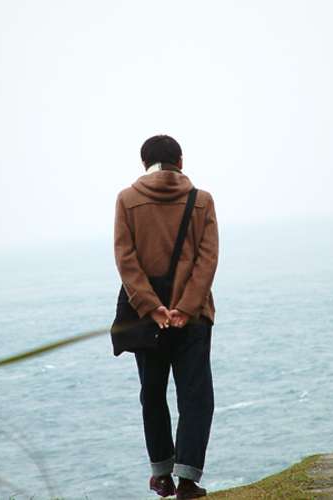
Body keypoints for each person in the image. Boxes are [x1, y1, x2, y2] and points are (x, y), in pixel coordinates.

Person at [113, 135, 219, 499]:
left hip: (147, 319)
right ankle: (187, 480)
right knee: (196, 396)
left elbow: (126, 259)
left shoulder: (127, 200)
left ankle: (161, 476)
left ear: (144, 164)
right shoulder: (202, 201)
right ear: (181, 161)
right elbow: (207, 260)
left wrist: (151, 306)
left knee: (153, 394)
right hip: (194, 317)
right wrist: (185, 308)